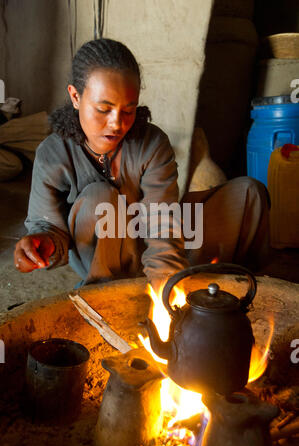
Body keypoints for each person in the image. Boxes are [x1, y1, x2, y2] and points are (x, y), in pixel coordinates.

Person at [14, 38, 270, 291]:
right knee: (100, 198)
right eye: (104, 109)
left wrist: (166, 283)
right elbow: (46, 225)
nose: (117, 123)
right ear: (75, 96)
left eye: (128, 110)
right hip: (105, 256)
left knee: (248, 194)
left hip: (154, 239)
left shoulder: (152, 142)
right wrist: (42, 242)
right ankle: (105, 294)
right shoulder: (53, 153)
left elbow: (161, 219)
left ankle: (243, 290)